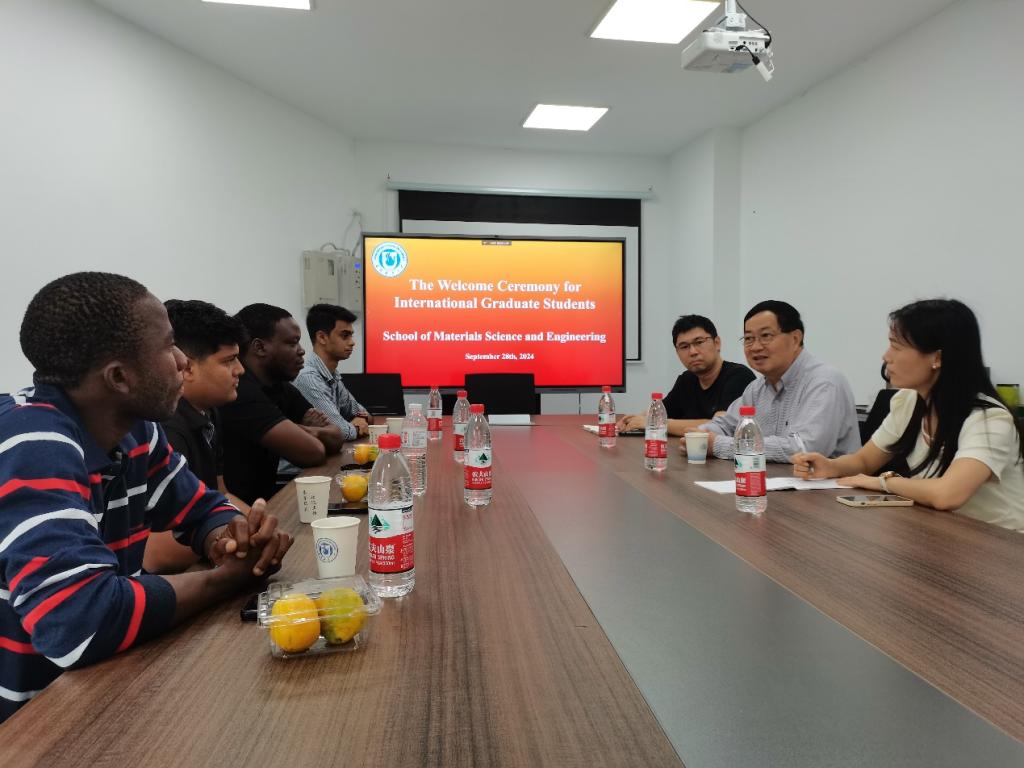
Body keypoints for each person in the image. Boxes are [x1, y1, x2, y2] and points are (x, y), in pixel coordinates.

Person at [0, 273, 292, 724]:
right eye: (169, 345)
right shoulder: (32, 443)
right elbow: (80, 620)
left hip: (108, 686)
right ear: (119, 377)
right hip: (35, 722)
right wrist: (225, 579)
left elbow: (202, 508)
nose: (183, 361)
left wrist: (231, 538)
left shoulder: (135, 429)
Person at [793, 299, 1024, 532]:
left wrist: (883, 482)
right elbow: (864, 461)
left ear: (937, 358)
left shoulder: (989, 420)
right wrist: (830, 466)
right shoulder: (909, 402)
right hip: (942, 533)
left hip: (998, 544)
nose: (886, 356)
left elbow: (947, 495)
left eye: (896, 346)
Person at [145, 299, 249, 574]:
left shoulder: (208, 412)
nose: (240, 369)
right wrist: (240, 537)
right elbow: (156, 552)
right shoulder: (164, 427)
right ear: (187, 367)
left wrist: (257, 526)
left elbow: (220, 493)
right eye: (228, 360)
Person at [685, 300, 860, 462]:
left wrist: (718, 445)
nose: (755, 347)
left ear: (795, 339)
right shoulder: (757, 388)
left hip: (829, 484)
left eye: (766, 336)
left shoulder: (824, 382)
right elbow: (727, 425)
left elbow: (804, 448)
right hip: (774, 480)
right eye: (748, 339)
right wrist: (700, 435)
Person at [220, 303, 343, 505]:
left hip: (267, 503)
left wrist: (295, 428)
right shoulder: (241, 392)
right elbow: (313, 452)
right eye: (292, 343)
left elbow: (336, 436)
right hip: (240, 512)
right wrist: (305, 431)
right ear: (259, 347)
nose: (301, 351)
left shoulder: (280, 387)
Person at [616, 315, 753, 436]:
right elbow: (660, 412)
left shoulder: (739, 376)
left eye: (699, 342)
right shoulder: (687, 379)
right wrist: (633, 419)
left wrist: (653, 422)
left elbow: (719, 426)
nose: (693, 352)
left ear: (717, 343)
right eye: (684, 346)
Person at [293, 304, 371, 441]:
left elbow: (364, 414)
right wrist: (358, 427)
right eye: (345, 336)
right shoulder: (309, 378)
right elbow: (340, 432)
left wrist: (360, 418)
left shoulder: (332, 376)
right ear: (322, 337)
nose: (352, 342)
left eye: (351, 336)